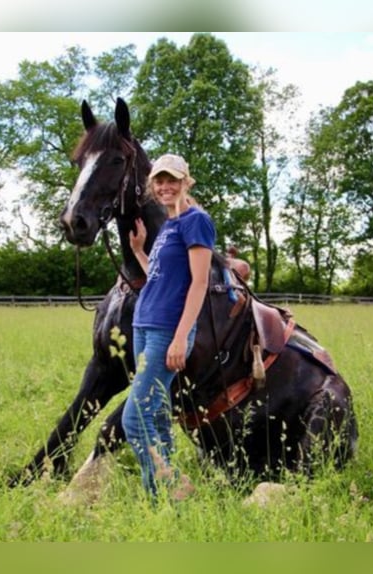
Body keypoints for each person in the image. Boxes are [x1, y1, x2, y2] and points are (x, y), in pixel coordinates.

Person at [122, 153, 216, 502]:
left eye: (172, 180)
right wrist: (139, 252)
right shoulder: (169, 225)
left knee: (134, 420)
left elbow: (199, 283)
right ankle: (158, 500)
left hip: (166, 331)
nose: (164, 186)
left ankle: (175, 485)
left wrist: (180, 336)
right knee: (156, 415)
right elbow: (161, 278)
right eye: (159, 181)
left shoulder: (196, 221)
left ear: (186, 181)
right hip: (143, 325)